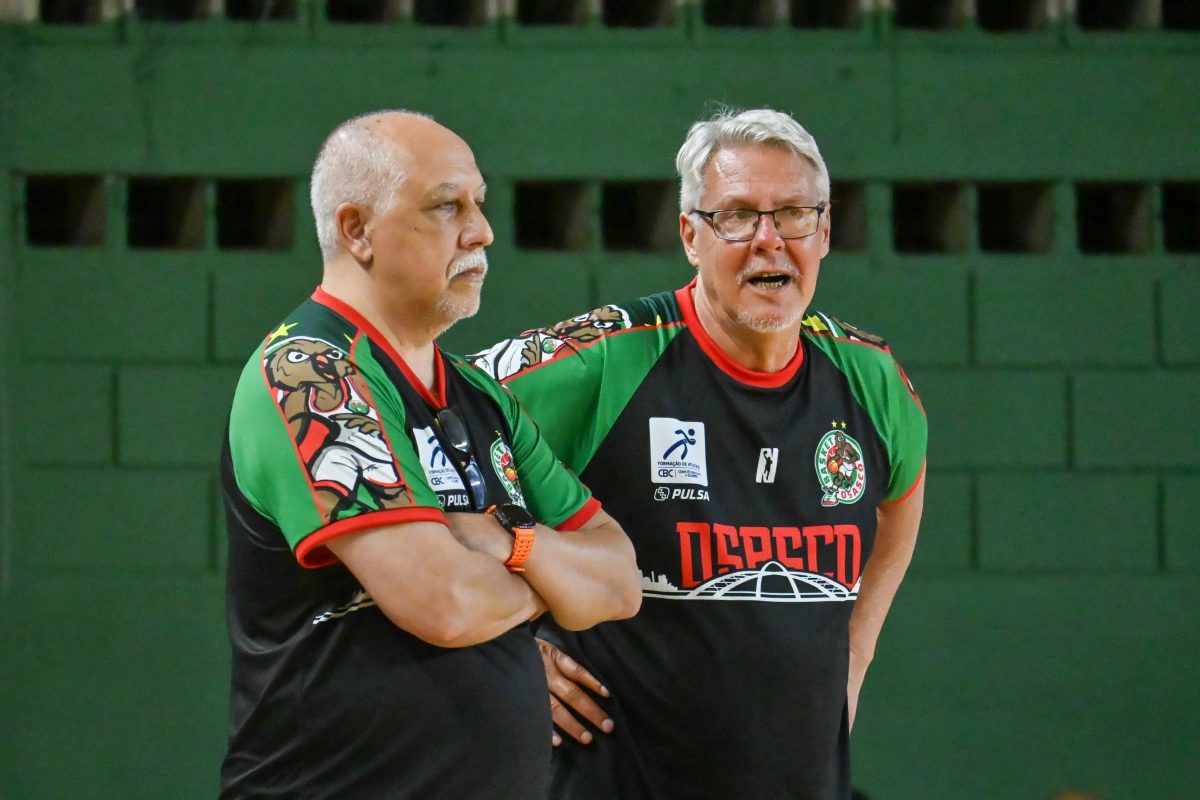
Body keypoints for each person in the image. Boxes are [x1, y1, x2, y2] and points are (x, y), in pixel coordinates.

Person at [468, 107, 927, 799]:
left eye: (794, 214)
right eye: (737, 216)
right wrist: (501, 646)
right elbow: (421, 419)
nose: (769, 240)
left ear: (825, 231)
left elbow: (900, 505)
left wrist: (854, 656)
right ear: (690, 235)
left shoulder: (872, 377)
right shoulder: (606, 359)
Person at [217, 110, 642, 800]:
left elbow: (619, 582)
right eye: (447, 207)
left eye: (479, 202)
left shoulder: (480, 395)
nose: (482, 231)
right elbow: (445, 604)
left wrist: (509, 546)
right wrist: (556, 583)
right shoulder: (309, 375)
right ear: (356, 230)